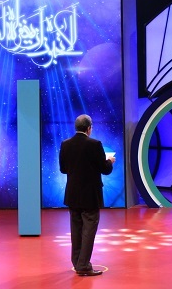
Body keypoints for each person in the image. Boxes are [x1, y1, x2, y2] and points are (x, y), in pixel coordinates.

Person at [59, 114, 115, 277]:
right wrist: (110, 161)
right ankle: (83, 265)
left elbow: (63, 169)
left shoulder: (65, 144)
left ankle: (77, 262)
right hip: (90, 195)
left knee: (76, 229)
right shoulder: (95, 144)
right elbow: (105, 169)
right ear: (89, 128)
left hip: (73, 194)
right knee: (88, 230)